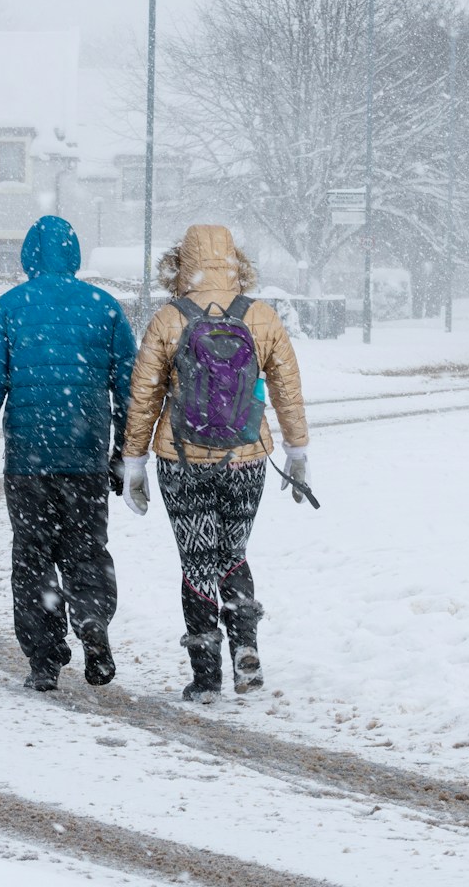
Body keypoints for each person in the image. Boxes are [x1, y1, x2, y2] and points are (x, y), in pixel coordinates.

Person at [118, 224, 309, 702]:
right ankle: (245, 649)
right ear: (236, 261)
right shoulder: (260, 316)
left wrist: (134, 462)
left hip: (181, 459)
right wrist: (298, 451)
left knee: (197, 561)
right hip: (247, 457)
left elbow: (143, 397)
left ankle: (206, 677)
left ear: (181, 263)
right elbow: (287, 389)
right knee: (233, 554)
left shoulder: (168, 318)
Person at [0, 215, 137, 692]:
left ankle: (44, 657)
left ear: (28, 257)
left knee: (33, 557)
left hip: (28, 460)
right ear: (74, 253)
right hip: (85, 456)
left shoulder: (8, 308)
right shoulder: (104, 308)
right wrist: (124, 451)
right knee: (86, 551)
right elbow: (130, 389)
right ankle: (92, 622)